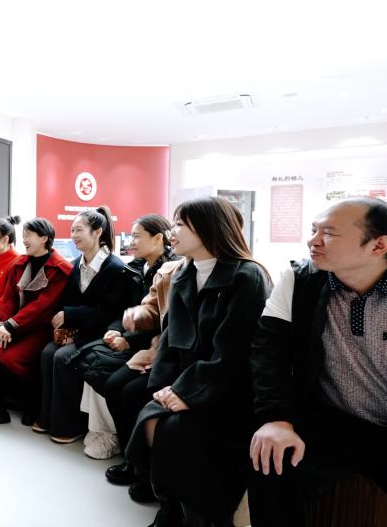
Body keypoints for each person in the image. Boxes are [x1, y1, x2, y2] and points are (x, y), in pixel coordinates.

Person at [248, 197, 387, 527]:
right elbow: (269, 350)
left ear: (379, 245)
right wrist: (276, 418)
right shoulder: (301, 278)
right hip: (333, 422)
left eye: (328, 233)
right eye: (314, 230)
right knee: (271, 465)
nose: (313, 241)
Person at [124, 196, 271, 527]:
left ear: (208, 228)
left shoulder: (247, 277)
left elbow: (233, 352)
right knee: (151, 419)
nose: (171, 232)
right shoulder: (183, 274)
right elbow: (171, 341)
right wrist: (164, 387)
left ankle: (194, 513)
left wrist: (186, 392)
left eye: (180, 224)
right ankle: (171, 503)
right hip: (189, 382)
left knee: (175, 430)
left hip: (230, 389)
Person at [35, 207, 142, 443]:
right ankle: (48, 417)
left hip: (101, 333)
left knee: (62, 357)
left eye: (79, 230)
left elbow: (109, 312)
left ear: (97, 232)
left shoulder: (115, 268)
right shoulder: (75, 265)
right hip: (79, 331)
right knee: (47, 352)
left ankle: (70, 425)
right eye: (72, 230)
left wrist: (70, 315)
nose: (73, 235)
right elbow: (70, 301)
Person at [78, 214, 179, 459]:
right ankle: (104, 435)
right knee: (86, 360)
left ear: (157, 239)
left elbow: (161, 322)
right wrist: (116, 330)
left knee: (109, 377)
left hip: (153, 346)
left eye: (136, 236)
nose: (131, 242)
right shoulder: (133, 268)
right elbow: (126, 309)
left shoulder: (173, 271)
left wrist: (128, 339)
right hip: (135, 339)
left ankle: (120, 444)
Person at [0, 217, 72, 427]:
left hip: (39, 330)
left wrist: (10, 325)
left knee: (10, 358)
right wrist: (1, 324)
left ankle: (30, 405)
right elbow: (9, 298)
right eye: (23, 235)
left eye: (28, 235)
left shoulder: (61, 269)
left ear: (44, 238)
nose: (23, 240)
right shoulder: (20, 263)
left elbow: (42, 307)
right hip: (15, 325)